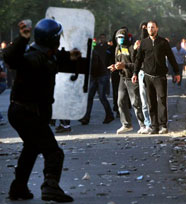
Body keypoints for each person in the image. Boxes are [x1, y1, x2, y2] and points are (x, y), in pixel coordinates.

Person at [3, 19, 82, 202]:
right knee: (53, 152)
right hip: (27, 113)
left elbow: (59, 58)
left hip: (25, 112)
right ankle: (50, 187)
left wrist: (73, 56)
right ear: (52, 39)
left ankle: (18, 188)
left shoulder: (46, 54)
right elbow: (10, 57)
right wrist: (22, 39)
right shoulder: (31, 57)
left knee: (31, 148)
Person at [132, 20, 181, 134]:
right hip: (148, 76)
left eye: (152, 27)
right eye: (149, 27)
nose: (150, 29)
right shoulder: (144, 43)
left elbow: (171, 57)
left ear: (157, 28)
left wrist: (177, 72)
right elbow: (139, 59)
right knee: (151, 102)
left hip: (160, 76)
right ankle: (154, 126)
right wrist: (135, 73)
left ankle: (163, 125)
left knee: (162, 100)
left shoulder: (163, 42)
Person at [108, 28, 145, 134]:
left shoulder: (132, 48)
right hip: (122, 78)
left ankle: (143, 125)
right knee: (120, 101)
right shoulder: (117, 48)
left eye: (122, 37)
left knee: (136, 102)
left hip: (132, 77)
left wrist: (125, 65)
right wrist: (115, 67)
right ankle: (126, 124)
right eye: (118, 37)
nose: (120, 39)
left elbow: (138, 65)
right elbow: (118, 62)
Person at [79, 49, 114, 125]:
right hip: (95, 76)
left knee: (101, 97)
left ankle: (109, 115)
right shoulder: (88, 52)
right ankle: (86, 117)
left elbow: (94, 66)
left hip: (100, 76)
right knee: (90, 97)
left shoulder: (91, 53)